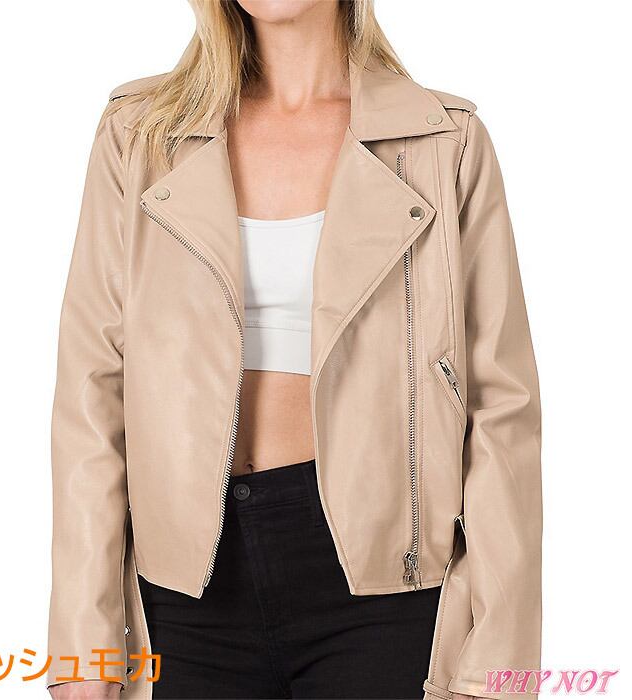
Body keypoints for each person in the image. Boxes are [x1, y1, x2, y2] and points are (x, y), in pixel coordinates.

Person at [47, 1, 542, 699]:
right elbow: (91, 395)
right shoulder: (140, 135)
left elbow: (501, 411)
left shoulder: (442, 143)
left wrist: (499, 669)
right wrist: (82, 643)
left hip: (385, 585)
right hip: (183, 585)